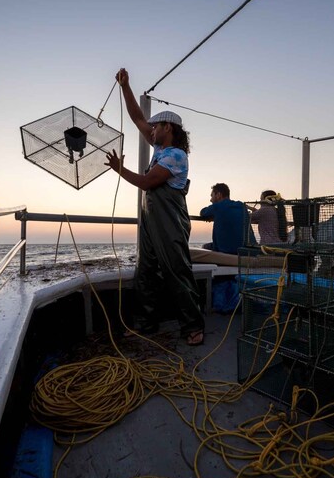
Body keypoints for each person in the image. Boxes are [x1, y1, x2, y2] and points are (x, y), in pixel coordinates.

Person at [104, 68, 205, 346]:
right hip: (151, 221)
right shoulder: (159, 148)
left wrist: (119, 169)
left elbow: (148, 183)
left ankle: (193, 326)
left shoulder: (175, 155)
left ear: (167, 128)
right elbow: (137, 117)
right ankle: (146, 324)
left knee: (176, 270)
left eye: (156, 127)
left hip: (171, 222)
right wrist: (125, 86)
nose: (151, 130)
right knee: (146, 270)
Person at [199, 183, 255, 255]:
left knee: (205, 246)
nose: (211, 200)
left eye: (212, 196)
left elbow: (202, 212)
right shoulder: (241, 205)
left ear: (218, 195)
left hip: (227, 250)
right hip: (247, 249)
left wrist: (212, 215)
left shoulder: (217, 206)